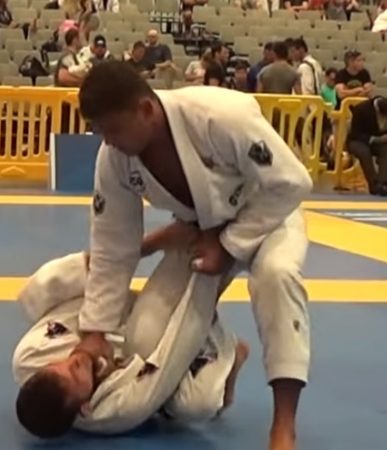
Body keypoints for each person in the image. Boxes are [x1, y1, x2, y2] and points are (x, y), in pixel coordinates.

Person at [77, 60, 313, 450]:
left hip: (268, 215)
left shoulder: (220, 115)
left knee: (277, 275)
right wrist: (95, 332)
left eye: (114, 129)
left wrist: (229, 245)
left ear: (146, 109)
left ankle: (283, 426)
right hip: (200, 232)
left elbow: (292, 182)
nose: (108, 140)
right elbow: (111, 245)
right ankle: (226, 351)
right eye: (100, 131)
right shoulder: (114, 158)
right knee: (143, 343)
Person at [13, 222, 249, 437]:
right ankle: (226, 349)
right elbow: (170, 356)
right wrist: (207, 292)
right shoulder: (120, 410)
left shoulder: (31, 357)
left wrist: (156, 241)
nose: (72, 363)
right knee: (196, 404)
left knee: (34, 295)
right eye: (75, 375)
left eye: (59, 366)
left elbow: (64, 281)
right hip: (149, 348)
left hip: (107, 306)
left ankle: (195, 231)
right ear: (85, 408)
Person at [347, 96, 387, 196]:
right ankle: (374, 185)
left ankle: (383, 183)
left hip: (380, 142)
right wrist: (378, 139)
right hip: (359, 141)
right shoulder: (361, 109)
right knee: (364, 152)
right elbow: (356, 134)